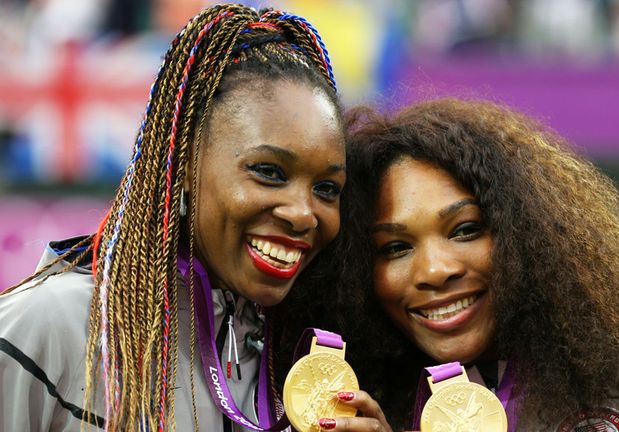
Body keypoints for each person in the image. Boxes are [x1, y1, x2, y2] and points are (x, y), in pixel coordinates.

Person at [0, 4, 387, 431]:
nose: (303, 214)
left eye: (326, 189)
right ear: (183, 160)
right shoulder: (49, 325)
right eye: (268, 172)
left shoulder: (302, 363)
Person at [330, 98, 619, 431]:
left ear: (530, 234)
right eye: (394, 248)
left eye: (465, 230)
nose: (434, 270)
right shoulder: (356, 407)